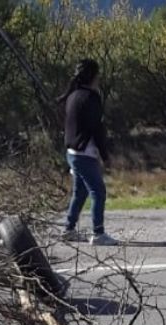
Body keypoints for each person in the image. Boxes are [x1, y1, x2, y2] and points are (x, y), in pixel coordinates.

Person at [57, 58, 118, 246]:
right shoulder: (91, 98)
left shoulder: (73, 95)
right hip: (85, 153)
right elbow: (96, 129)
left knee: (80, 192)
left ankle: (68, 229)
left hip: (72, 152)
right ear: (92, 76)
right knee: (98, 192)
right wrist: (105, 155)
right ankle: (98, 233)